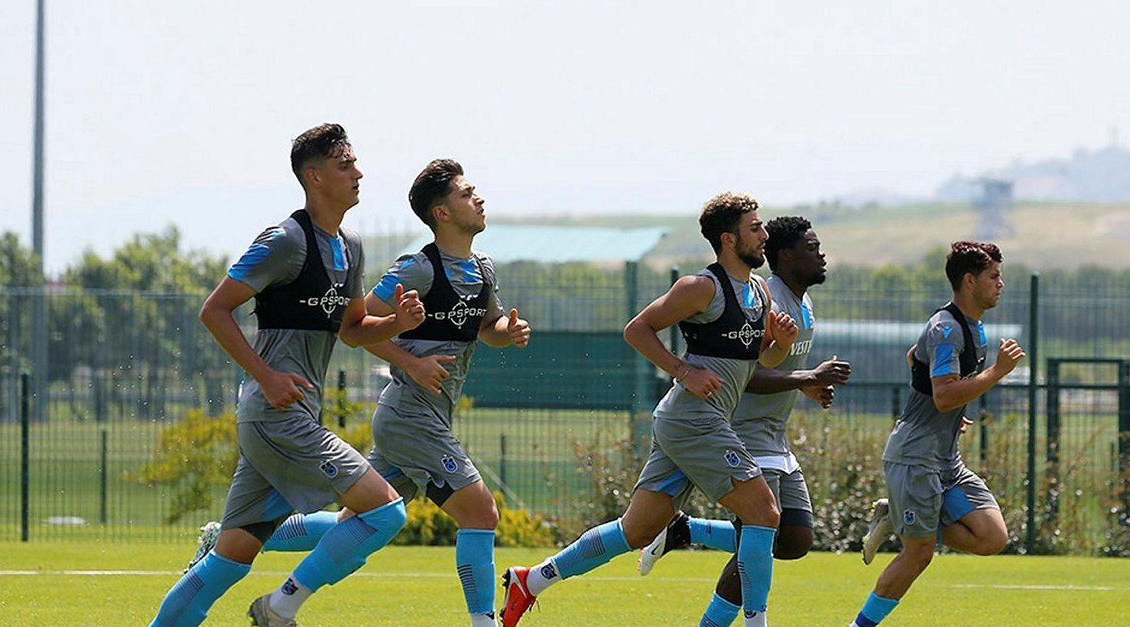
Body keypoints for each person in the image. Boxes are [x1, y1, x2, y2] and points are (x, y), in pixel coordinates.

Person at [148, 123, 426, 627]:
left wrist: (397, 325)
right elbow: (214, 310)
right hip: (277, 417)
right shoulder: (285, 241)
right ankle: (280, 608)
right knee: (385, 512)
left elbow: (352, 329)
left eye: (355, 162)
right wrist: (267, 376)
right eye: (345, 164)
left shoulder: (350, 245)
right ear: (314, 177)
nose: (358, 172)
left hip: (284, 419)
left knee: (227, 562)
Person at [500, 193, 799, 627]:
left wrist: (781, 345)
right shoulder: (702, 287)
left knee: (637, 531)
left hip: (691, 424)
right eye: (755, 228)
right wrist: (684, 371)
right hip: (694, 421)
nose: (764, 234)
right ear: (728, 239)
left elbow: (762, 361)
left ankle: (532, 580)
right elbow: (636, 329)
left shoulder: (759, 292)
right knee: (765, 514)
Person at [636, 216, 852, 622]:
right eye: (811, 248)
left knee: (795, 538)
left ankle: (685, 530)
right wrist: (807, 378)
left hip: (776, 437)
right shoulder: (767, 298)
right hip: (744, 432)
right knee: (757, 539)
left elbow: (772, 365)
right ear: (785, 257)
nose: (821, 255)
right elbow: (748, 374)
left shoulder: (804, 304)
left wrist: (805, 384)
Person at [360, 158, 531, 627]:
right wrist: (412, 363)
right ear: (442, 213)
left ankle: (234, 540)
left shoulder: (482, 269)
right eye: (466, 194)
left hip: (425, 417)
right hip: (409, 415)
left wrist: (508, 331)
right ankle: (484, 622)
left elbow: (488, 328)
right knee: (482, 513)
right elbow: (358, 327)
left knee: (359, 524)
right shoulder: (417, 268)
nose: (479, 198)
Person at [848, 241, 1025, 627]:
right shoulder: (946, 328)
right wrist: (996, 372)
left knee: (992, 537)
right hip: (915, 457)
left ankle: (897, 516)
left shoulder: (970, 325)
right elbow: (944, 395)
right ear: (969, 281)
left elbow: (915, 358)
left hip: (945, 459)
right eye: (993, 276)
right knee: (919, 553)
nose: (1001, 283)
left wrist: (951, 412)